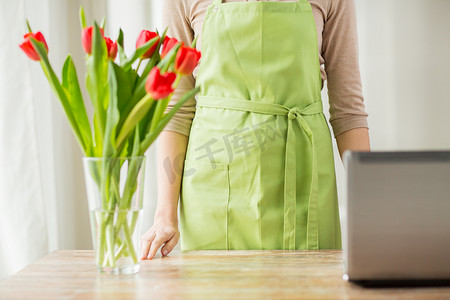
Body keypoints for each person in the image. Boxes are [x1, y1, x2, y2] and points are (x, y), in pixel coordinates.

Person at [140, 0, 370, 260]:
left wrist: (373, 208)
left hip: (306, 185)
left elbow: (348, 111)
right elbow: (176, 110)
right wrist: (164, 215)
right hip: (212, 190)